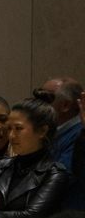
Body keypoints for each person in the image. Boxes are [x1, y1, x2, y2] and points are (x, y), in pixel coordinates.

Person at [37, 76, 84, 210]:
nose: (38, 105)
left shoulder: (79, 136)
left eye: (45, 99)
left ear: (65, 105)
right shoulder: (53, 132)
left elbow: (60, 178)